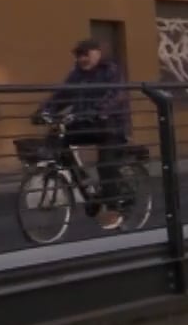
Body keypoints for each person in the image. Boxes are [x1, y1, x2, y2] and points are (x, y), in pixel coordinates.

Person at [37, 39, 131, 230]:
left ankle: (114, 209)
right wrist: (44, 111)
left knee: (105, 165)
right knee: (58, 138)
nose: (81, 59)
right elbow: (61, 95)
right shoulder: (77, 74)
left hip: (110, 126)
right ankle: (86, 186)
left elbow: (114, 95)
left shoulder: (110, 71)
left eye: (85, 54)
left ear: (97, 53)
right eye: (78, 55)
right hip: (85, 123)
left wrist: (98, 110)